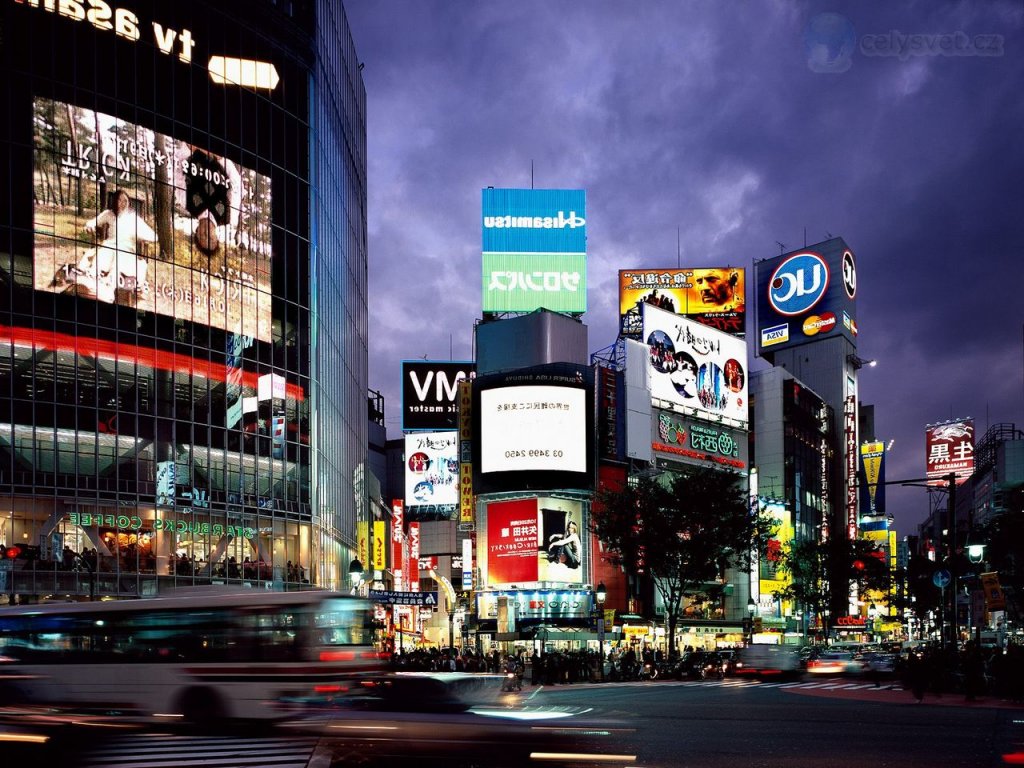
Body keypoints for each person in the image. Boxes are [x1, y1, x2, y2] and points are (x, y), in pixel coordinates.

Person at [76, 189, 157, 304]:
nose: (122, 203)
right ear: (115, 201)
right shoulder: (109, 214)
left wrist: (141, 236)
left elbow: (153, 236)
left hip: (126, 249)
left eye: (125, 201)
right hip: (109, 245)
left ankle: (108, 290)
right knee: (100, 257)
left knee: (118, 261)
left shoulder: (134, 218)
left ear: (129, 202)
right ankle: (91, 286)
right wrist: (90, 226)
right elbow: (92, 222)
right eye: (119, 200)